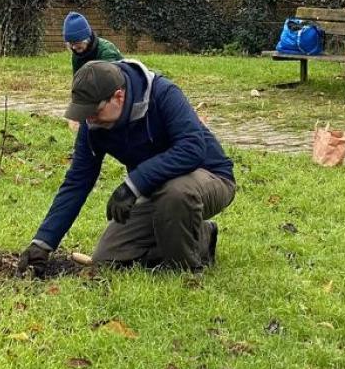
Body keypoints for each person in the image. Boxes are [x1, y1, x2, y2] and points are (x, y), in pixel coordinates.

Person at [17, 60, 235, 276]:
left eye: (95, 110)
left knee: (175, 193)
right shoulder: (92, 124)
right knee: (108, 257)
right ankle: (201, 235)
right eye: (85, 112)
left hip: (210, 177)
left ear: (119, 96)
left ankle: (185, 271)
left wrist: (134, 185)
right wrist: (43, 243)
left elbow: (192, 149)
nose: (89, 119)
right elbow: (77, 182)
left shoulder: (164, 93)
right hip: (157, 190)